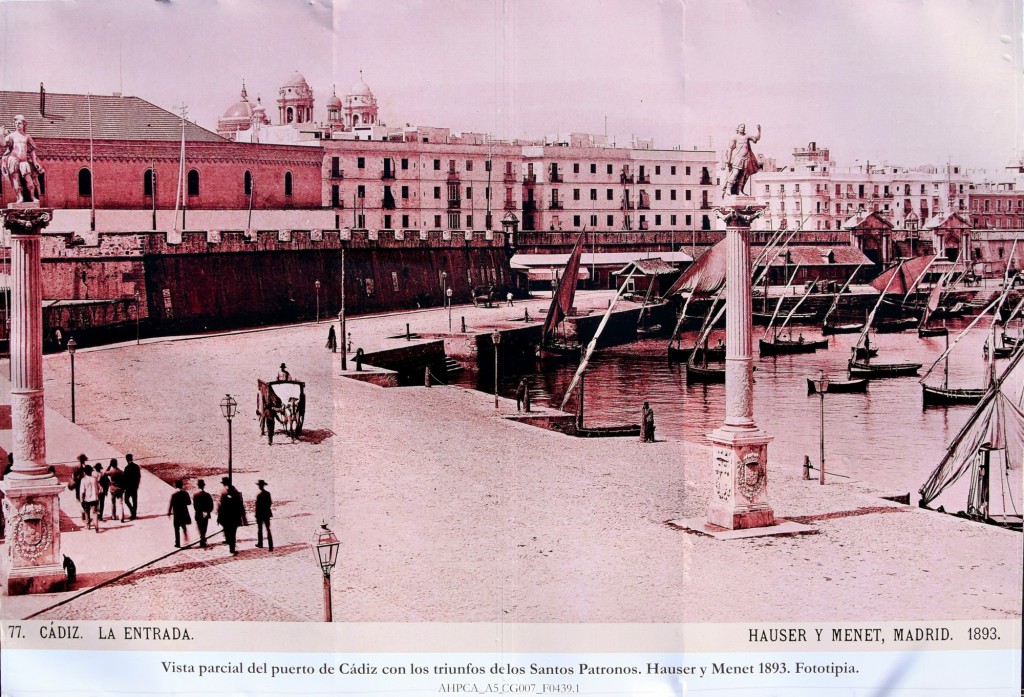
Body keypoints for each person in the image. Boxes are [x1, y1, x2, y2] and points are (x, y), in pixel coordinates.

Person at [1, 114, 45, 203]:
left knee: (29, 179)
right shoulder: (12, 136)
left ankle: (32, 197)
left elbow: (31, 151)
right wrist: (1, 133)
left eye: (19, 123)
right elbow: (2, 144)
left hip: (23, 161)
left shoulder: (27, 137)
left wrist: (35, 162)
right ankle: (19, 197)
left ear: (24, 124)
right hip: (13, 160)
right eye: (16, 123)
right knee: (16, 179)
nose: (17, 125)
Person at [722, 123, 762, 197]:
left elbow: (757, 138)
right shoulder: (734, 137)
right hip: (738, 158)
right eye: (741, 127)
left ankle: (739, 190)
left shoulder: (747, 136)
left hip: (746, 158)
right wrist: (728, 160)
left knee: (743, 175)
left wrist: (759, 130)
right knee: (735, 173)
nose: (743, 128)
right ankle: (728, 188)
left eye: (744, 127)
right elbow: (730, 149)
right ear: (738, 128)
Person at [217, 477, 247, 555]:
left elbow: (220, 505)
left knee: (227, 530)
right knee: (233, 532)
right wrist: (243, 517)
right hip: (234, 515)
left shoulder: (222, 492)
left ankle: (230, 543)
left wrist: (219, 516)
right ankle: (232, 548)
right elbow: (240, 504)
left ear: (223, 483)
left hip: (225, 516)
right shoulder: (236, 491)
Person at [167, 480, 192, 548]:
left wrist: (169, 512)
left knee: (176, 528)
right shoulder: (185, 493)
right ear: (182, 485)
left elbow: (171, 504)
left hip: (177, 513)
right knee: (184, 527)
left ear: (175, 485)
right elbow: (189, 503)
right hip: (183, 512)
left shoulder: (174, 494)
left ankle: (177, 543)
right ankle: (186, 541)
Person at [192, 479, 214, 548]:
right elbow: (211, 506)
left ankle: (202, 539)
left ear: (198, 486)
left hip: (198, 514)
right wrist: (207, 511)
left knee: (200, 527)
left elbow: (195, 506)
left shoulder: (195, 495)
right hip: (205, 514)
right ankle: (203, 540)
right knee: (204, 528)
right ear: (204, 486)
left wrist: (200, 511)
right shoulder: (207, 495)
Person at [80, 464, 100, 532]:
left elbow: (82, 491)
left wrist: (81, 500)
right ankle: (96, 526)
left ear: (85, 472)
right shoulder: (94, 479)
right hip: (95, 498)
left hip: (87, 499)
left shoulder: (83, 480)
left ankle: (87, 525)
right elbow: (98, 488)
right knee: (95, 512)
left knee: (87, 512)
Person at [254, 479, 273, 551]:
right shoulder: (268, 493)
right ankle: (270, 545)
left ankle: (260, 543)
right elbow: (270, 503)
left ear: (259, 486)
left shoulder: (259, 495)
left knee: (260, 529)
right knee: (268, 529)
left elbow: (257, 506)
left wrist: (256, 515)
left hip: (260, 514)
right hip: (267, 513)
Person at [123, 453, 141, 520]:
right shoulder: (136, 466)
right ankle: (134, 514)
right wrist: (137, 484)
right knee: (134, 500)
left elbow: (125, 478)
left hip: (128, 487)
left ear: (126, 459)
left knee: (126, 500)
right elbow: (139, 476)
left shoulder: (127, 468)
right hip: (134, 486)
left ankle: (132, 511)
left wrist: (124, 487)